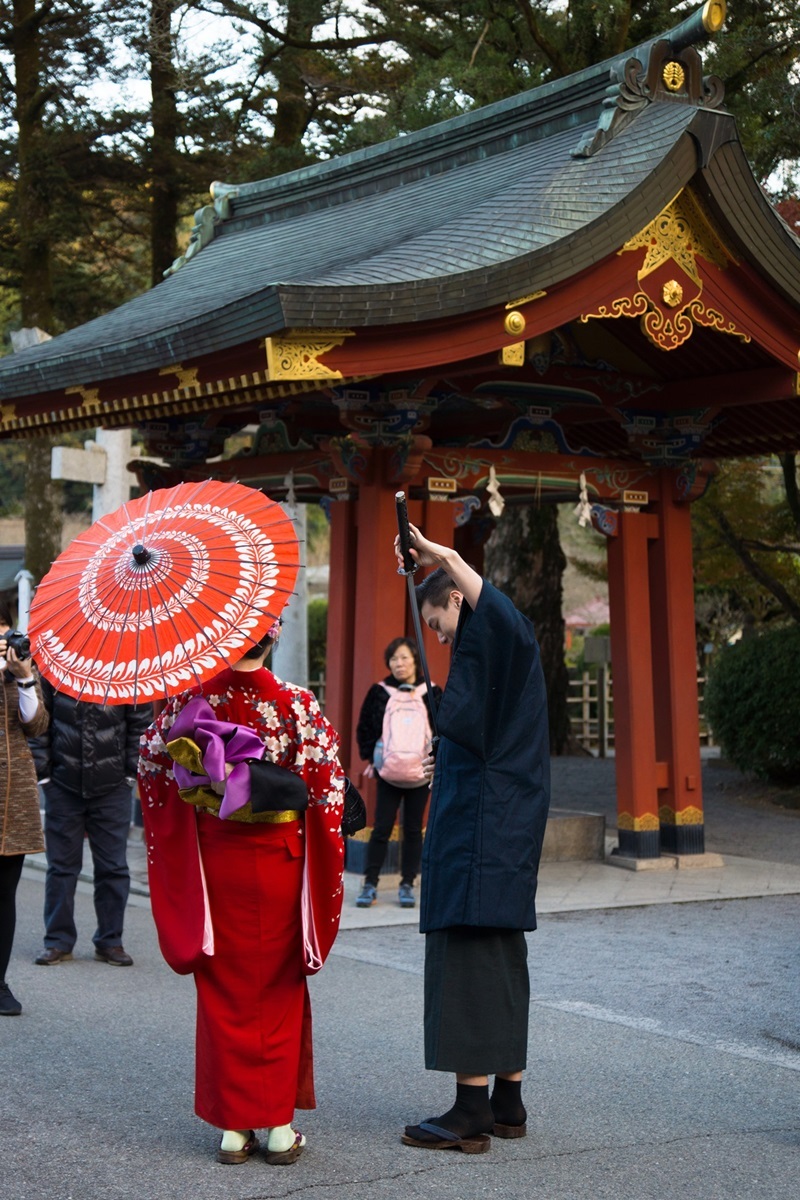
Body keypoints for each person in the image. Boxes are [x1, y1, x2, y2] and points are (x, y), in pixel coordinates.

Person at [138, 620, 345, 1166]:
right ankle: (278, 1128)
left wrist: (203, 780)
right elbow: (328, 789)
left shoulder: (190, 701)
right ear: (273, 640)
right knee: (278, 988)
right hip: (280, 862)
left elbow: (150, 765)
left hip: (217, 862)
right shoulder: (297, 705)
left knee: (224, 989)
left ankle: (233, 1131)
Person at [396, 524, 550, 1155]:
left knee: (466, 956)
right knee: (502, 955)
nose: (437, 637)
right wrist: (444, 759)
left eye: (437, 624)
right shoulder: (488, 662)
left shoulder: (505, 636)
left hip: (484, 831)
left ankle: (469, 1109)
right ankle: (508, 1100)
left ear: (457, 598)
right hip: (498, 822)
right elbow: (477, 733)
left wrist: (446, 557)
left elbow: (501, 618)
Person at [31, 682, 153, 967]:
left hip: (112, 787)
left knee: (113, 868)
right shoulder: (55, 671)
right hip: (62, 784)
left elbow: (141, 725)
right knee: (61, 867)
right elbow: (40, 723)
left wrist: (129, 777)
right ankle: (58, 941)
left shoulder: (127, 673)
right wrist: (44, 776)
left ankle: (110, 941)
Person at [355, 637, 441, 909]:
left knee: (414, 829)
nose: (399, 663)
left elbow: (444, 729)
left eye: (404, 657)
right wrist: (374, 758)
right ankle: (370, 882)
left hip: (420, 772)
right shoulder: (379, 691)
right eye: (394, 659)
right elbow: (365, 728)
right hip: (388, 772)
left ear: (415, 659)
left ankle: (407, 882)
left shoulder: (432, 691)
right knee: (381, 828)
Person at [0, 608, 49, 1015]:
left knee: (4, 895)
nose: (6, 645)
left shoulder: (18, 673)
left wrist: (25, 678)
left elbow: (36, 725)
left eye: (7, 635)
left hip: (11, 799)